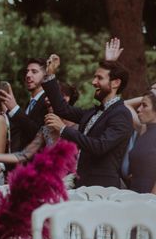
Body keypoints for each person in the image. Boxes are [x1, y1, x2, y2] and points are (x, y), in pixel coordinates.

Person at [43, 55, 133, 188]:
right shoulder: (93, 112)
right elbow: (62, 109)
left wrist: (63, 129)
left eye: (99, 78)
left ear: (115, 83)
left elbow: (100, 146)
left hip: (102, 187)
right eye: (95, 77)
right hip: (82, 183)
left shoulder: (121, 114)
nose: (94, 82)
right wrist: (50, 76)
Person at [0, 59, 49, 152]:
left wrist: (15, 109)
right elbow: (21, 130)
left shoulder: (48, 102)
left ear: (45, 76)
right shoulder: (30, 103)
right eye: (27, 71)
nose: (28, 75)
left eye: (34, 72)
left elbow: (38, 134)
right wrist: (7, 111)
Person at [125, 90, 156, 193]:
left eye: (144, 105)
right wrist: (151, 94)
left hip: (150, 198)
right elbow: (125, 105)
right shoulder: (144, 129)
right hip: (134, 193)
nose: (138, 109)